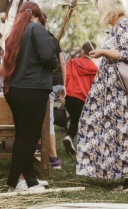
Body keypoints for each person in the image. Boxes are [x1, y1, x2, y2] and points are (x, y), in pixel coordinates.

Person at [75, 0, 128, 192]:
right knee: (106, 129)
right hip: (110, 92)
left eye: (99, 9)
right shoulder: (115, 28)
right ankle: (115, 171)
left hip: (121, 92)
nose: (98, 13)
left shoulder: (126, 25)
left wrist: (103, 52)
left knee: (124, 132)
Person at [0, 1, 58, 192]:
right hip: (33, 89)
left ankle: (25, 180)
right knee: (29, 138)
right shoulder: (36, 28)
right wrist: (54, 66)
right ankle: (21, 182)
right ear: (38, 15)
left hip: (15, 90)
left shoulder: (13, 35)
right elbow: (49, 56)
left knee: (22, 137)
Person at [40, 13, 66, 169]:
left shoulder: (39, 38)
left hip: (48, 83)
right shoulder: (53, 39)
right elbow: (63, 63)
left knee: (47, 120)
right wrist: (64, 86)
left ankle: (54, 158)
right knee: (43, 117)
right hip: (57, 83)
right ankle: (40, 148)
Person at [63, 41, 98, 156]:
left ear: (83, 51)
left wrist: (63, 94)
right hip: (83, 100)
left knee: (75, 120)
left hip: (69, 98)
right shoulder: (95, 69)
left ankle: (69, 138)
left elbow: (66, 78)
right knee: (85, 123)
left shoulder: (72, 62)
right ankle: (85, 149)